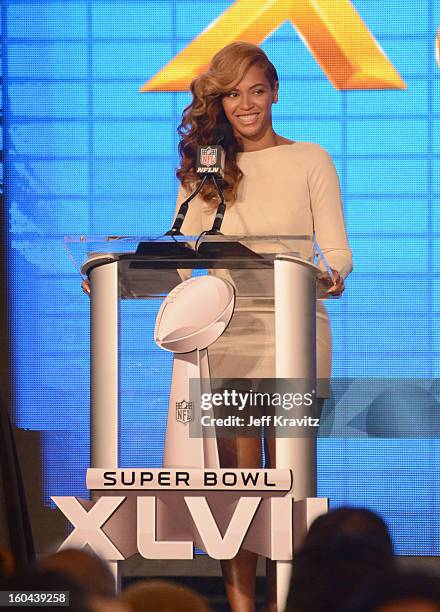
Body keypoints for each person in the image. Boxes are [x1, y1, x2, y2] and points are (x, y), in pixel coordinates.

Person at [174, 41, 353, 611]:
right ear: (219, 102)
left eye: (256, 91)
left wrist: (331, 271)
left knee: (288, 479)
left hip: (294, 330)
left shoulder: (310, 159)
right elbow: (183, 249)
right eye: (232, 94)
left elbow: (337, 250)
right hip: (227, 332)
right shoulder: (210, 164)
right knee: (238, 483)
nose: (245, 104)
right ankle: (244, 607)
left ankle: (291, 603)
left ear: (275, 92)